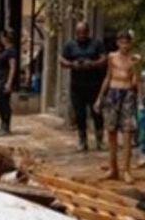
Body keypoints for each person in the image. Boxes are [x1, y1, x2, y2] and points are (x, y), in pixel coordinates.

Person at [96, 31, 140, 183]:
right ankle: (112, 168)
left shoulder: (134, 59)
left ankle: (126, 170)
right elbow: (108, 77)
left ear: (130, 44)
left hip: (127, 93)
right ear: (117, 43)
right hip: (113, 93)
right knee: (111, 131)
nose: (124, 46)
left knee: (127, 132)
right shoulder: (112, 57)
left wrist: (136, 68)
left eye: (127, 42)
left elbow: (135, 82)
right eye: (122, 42)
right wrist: (100, 98)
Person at [60, 21, 108, 151]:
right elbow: (62, 60)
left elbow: (104, 59)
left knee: (97, 113)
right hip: (77, 86)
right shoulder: (70, 45)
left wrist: (92, 64)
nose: (82, 35)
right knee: (80, 114)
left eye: (84, 32)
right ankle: (82, 141)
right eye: (79, 33)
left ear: (88, 32)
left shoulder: (96, 44)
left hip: (94, 85)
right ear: (76, 32)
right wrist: (72, 64)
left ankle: (100, 140)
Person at [0, 31, 18, 137]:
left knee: (3, 102)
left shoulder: (11, 51)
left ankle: (6, 126)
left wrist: (9, 82)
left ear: (5, 38)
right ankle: (2, 124)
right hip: (1, 79)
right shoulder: (5, 51)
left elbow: (13, 67)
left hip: (5, 80)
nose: (1, 40)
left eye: (2, 37)